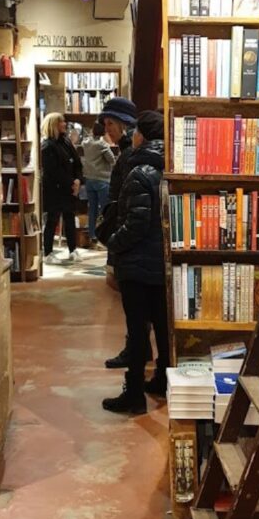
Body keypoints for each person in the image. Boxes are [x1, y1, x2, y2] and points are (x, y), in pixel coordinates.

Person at [102, 111, 168, 415]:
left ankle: (134, 394)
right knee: (161, 325)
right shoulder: (170, 167)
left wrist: (113, 243)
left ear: (141, 135)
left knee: (137, 328)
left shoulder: (139, 172)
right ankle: (163, 379)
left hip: (137, 264)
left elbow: (136, 224)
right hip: (160, 263)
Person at [40, 111, 83, 265]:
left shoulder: (66, 141)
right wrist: (72, 182)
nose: (65, 124)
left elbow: (77, 162)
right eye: (62, 122)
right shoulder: (47, 146)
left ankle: (73, 250)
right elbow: (54, 171)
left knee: (70, 219)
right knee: (52, 220)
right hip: (54, 190)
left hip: (70, 188)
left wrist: (77, 180)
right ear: (54, 124)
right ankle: (48, 253)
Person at [81, 121, 115, 248]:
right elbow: (111, 159)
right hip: (102, 179)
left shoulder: (86, 143)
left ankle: (92, 236)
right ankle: (104, 236)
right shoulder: (102, 144)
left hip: (89, 179)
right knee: (104, 210)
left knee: (92, 209)